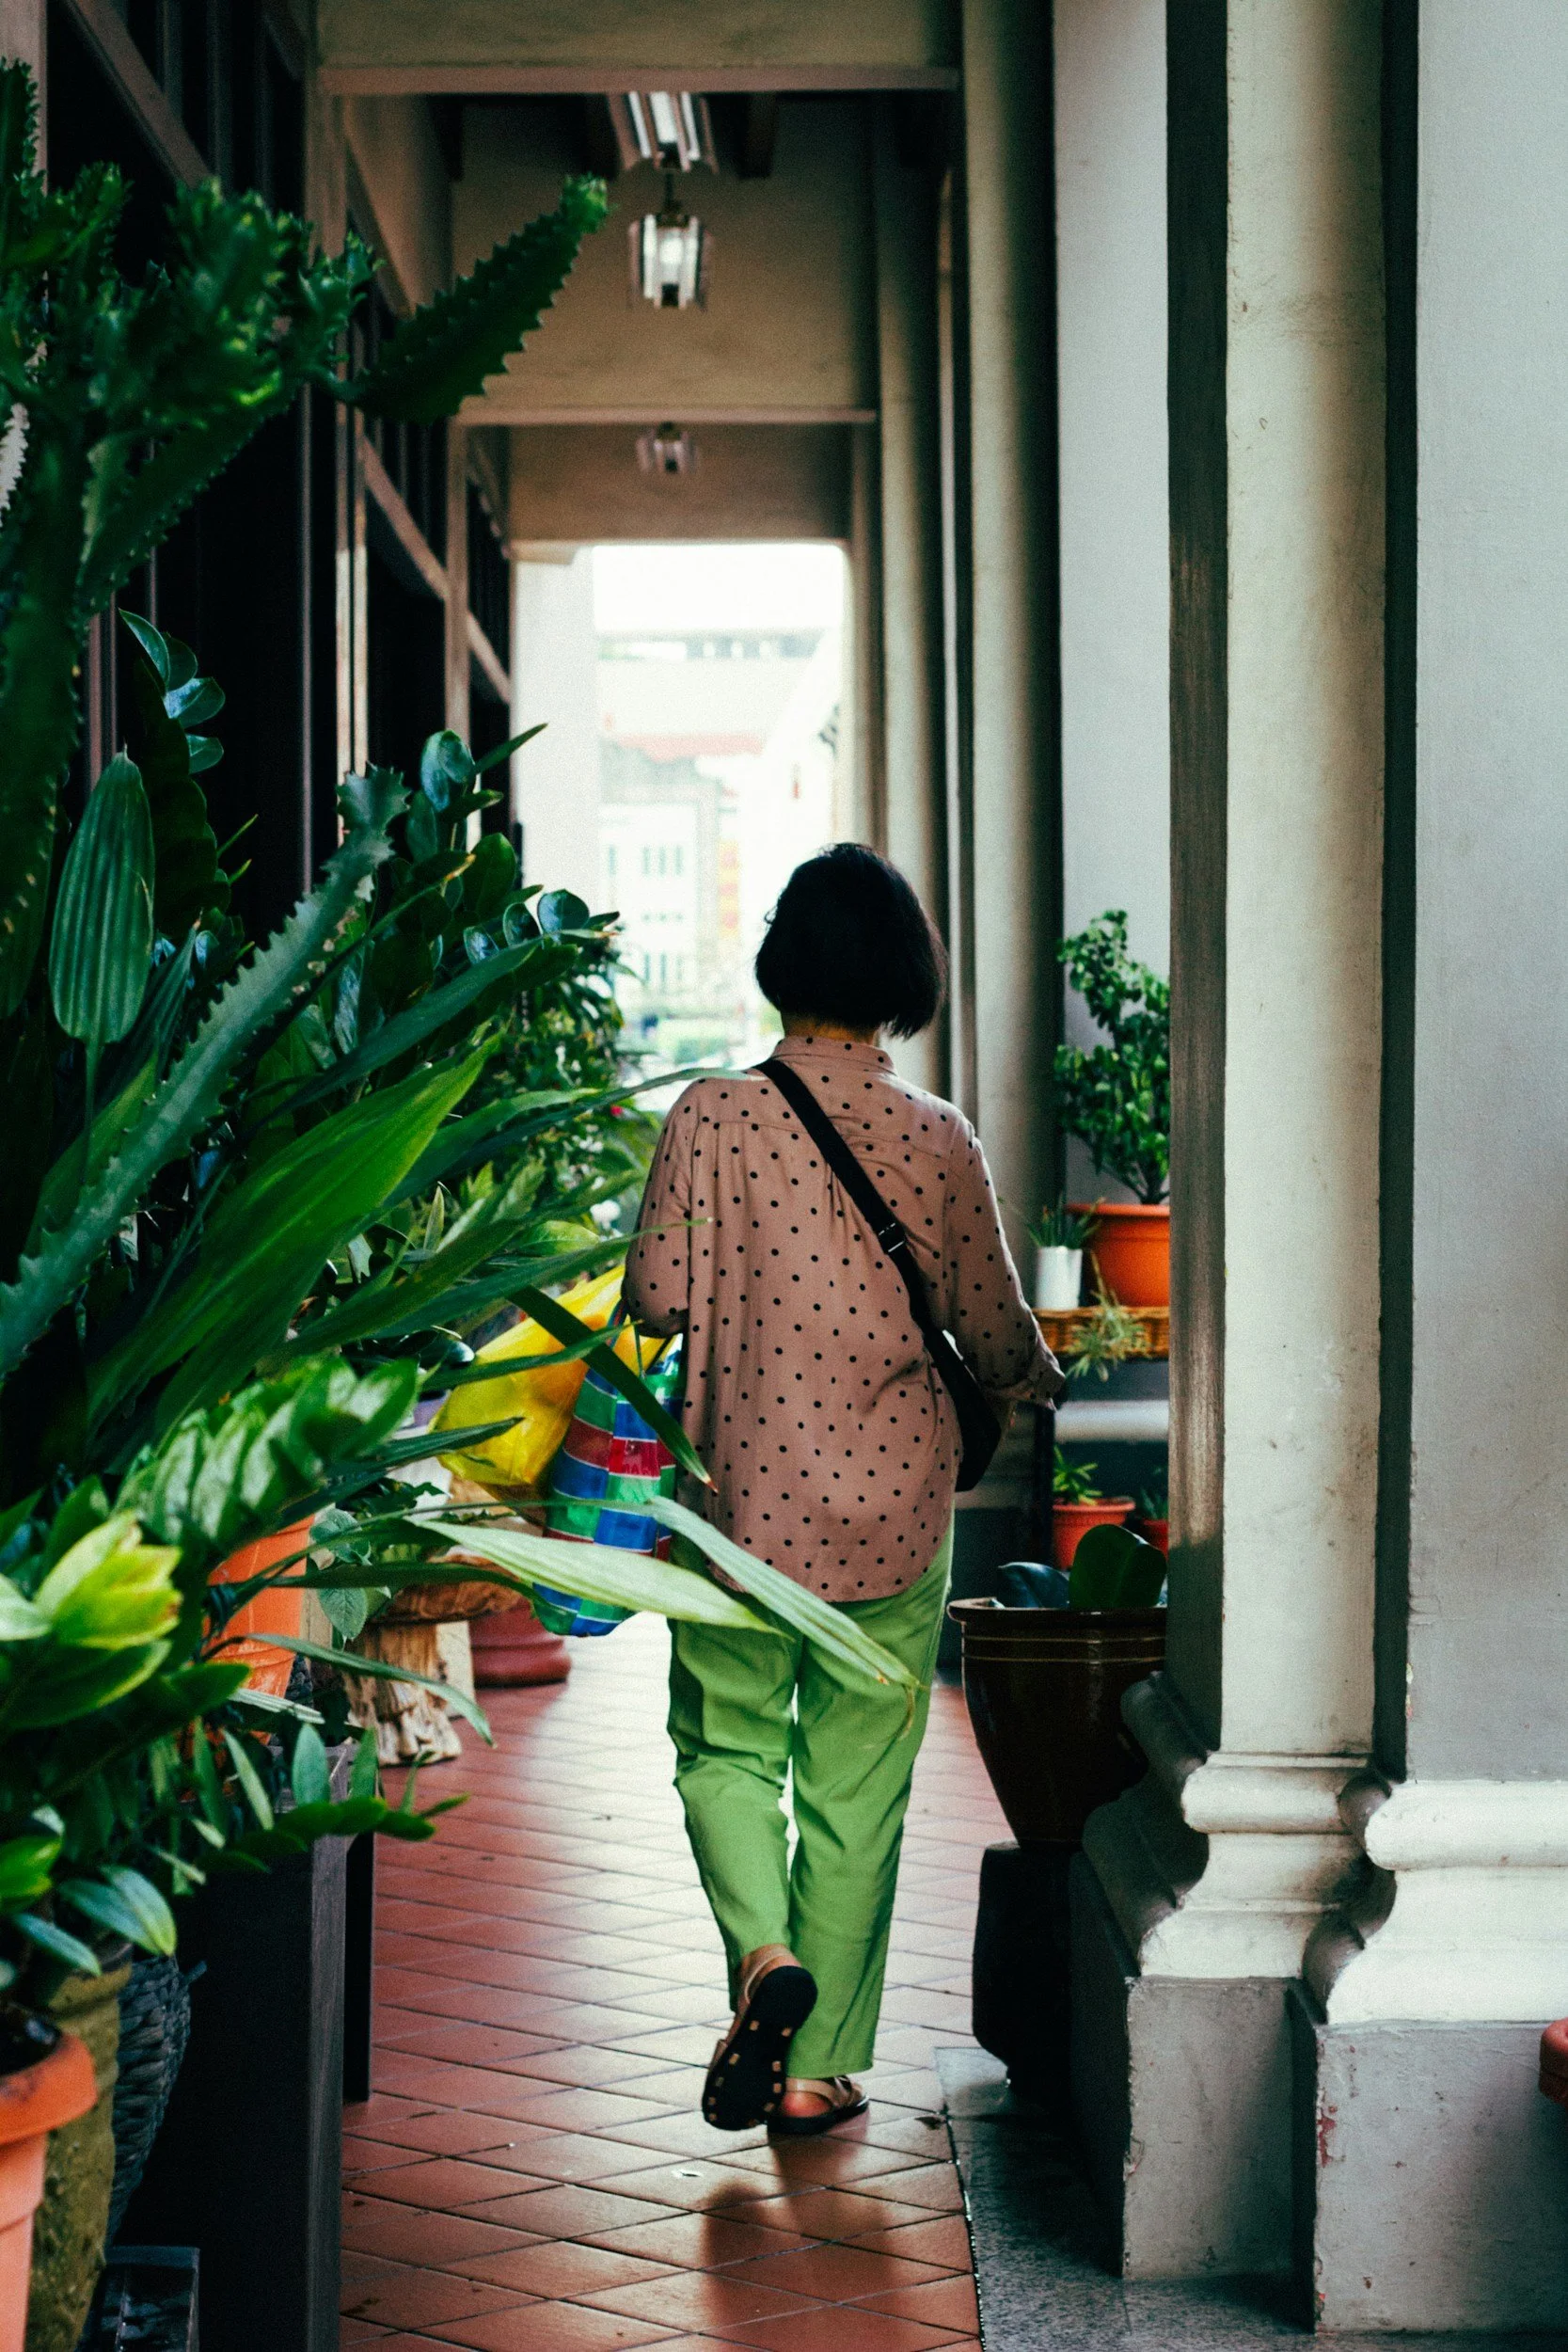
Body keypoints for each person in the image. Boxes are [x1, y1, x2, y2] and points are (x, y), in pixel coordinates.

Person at [624, 843, 1064, 2137]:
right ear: (901, 978)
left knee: (722, 1748)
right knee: (855, 1785)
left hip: (736, 1510)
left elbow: (654, 1298)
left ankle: (761, 1956)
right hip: (889, 1511)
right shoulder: (934, 1139)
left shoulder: (708, 1116)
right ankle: (814, 2070)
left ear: (780, 962)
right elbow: (990, 1340)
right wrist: (1041, 1373)